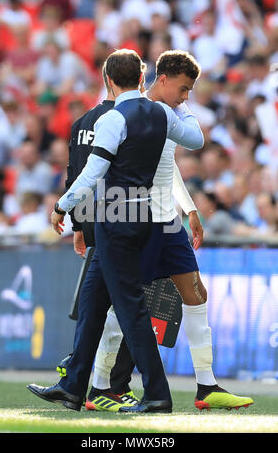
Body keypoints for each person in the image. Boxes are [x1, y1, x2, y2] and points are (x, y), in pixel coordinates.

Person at [59, 50, 253, 413]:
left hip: (169, 221)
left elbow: (169, 168)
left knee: (196, 294)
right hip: (144, 222)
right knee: (126, 306)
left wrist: (191, 209)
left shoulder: (163, 115)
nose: (186, 97)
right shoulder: (140, 115)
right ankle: (101, 385)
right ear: (160, 80)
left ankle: (206, 385)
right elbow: (102, 171)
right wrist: (76, 215)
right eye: (183, 89)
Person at [27, 48, 204, 414]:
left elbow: (92, 174)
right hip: (143, 215)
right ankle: (73, 386)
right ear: (143, 78)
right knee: (93, 303)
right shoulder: (160, 112)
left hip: (114, 219)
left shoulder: (113, 117)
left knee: (130, 309)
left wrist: (63, 206)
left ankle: (157, 394)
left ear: (108, 80)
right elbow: (196, 140)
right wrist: (183, 106)